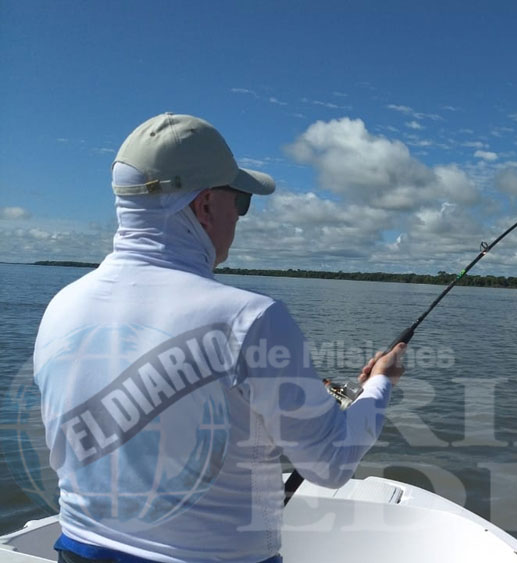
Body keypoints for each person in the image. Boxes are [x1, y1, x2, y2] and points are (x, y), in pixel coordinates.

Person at [33, 112, 406, 563]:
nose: (240, 217)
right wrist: (380, 386)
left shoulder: (60, 307)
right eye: (241, 202)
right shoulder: (252, 318)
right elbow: (330, 464)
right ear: (205, 205)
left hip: (77, 550)